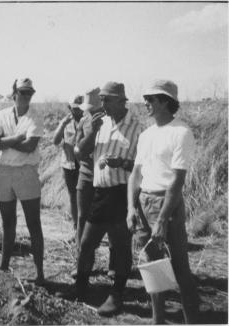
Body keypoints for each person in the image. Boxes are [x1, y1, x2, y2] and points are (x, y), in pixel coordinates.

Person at [127, 80, 200, 324]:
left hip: (166, 203)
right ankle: (158, 321)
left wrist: (162, 219)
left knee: (179, 268)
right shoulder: (147, 134)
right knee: (153, 268)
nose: (145, 102)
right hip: (143, 202)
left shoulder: (181, 132)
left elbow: (177, 181)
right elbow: (136, 175)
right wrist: (130, 208)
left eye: (151, 98)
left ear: (165, 101)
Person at [73, 82, 142, 315]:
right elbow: (80, 152)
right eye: (100, 99)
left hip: (122, 193)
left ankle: (117, 294)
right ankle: (80, 286)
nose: (102, 105)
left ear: (121, 101)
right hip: (100, 193)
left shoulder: (136, 128)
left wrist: (122, 163)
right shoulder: (100, 124)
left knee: (121, 247)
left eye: (106, 100)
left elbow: (143, 168)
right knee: (86, 243)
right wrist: (92, 132)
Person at [0, 78, 45, 285]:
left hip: (26, 172)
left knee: (33, 224)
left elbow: (30, 146)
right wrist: (15, 139)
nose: (26, 96)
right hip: (4, 172)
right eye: (22, 92)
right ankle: (3, 267)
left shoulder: (35, 117)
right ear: (14, 94)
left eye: (29, 92)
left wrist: (5, 142)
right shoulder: (2, 114)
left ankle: (39, 274)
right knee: (8, 223)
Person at [73, 88, 115, 277]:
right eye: (88, 109)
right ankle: (81, 261)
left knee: (111, 221)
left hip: (106, 177)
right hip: (86, 174)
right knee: (82, 219)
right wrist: (93, 131)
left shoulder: (112, 121)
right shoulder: (84, 121)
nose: (91, 112)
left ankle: (114, 264)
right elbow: (78, 150)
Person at [52, 95, 83, 231]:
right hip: (69, 164)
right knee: (73, 196)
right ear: (69, 108)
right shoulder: (66, 122)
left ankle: (84, 225)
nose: (75, 111)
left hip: (83, 165)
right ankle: (76, 226)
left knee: (85, 196)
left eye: (78, 108)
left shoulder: (87, 121)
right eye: (73, 108)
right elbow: (55, 141)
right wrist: (62, 124)